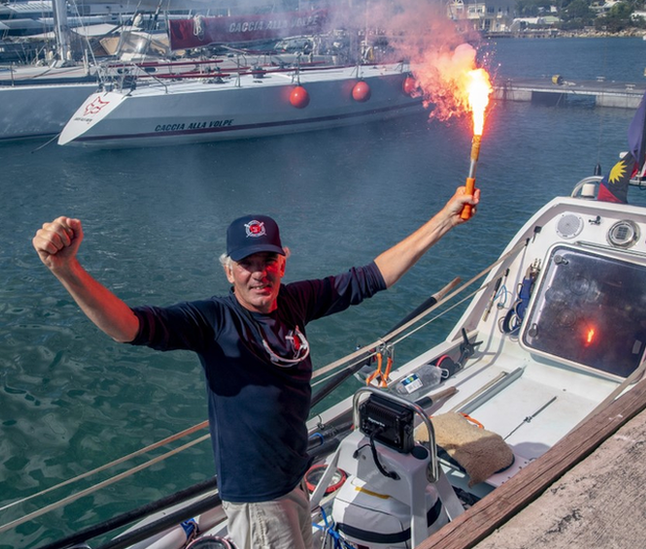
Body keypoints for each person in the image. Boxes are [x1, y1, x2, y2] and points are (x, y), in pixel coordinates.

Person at [32, 187, 479, 549]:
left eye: (268, 261)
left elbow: (371, 277)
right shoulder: (212, 321)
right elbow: (128, 327)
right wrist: (68, 270)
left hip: (292, 479)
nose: (259, 273)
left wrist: (444, 218)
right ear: (230, 272)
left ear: (283, 261)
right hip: (259, 498)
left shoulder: (294, 302)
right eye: (247, 264)